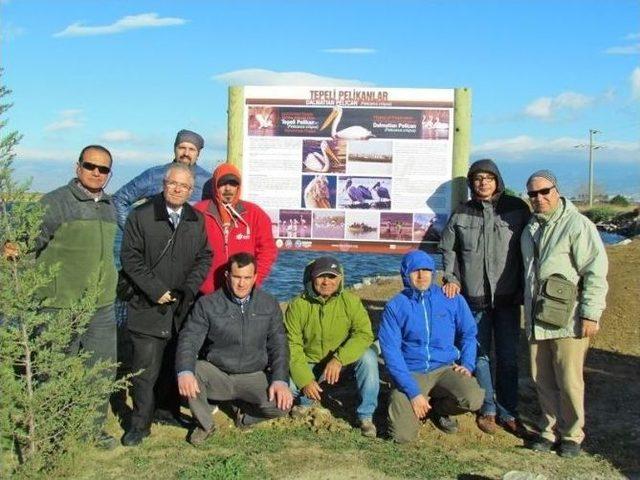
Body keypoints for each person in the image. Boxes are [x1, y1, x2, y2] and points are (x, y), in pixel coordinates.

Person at [120, 163, 211, 446]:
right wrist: (155, 290)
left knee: (174, 362)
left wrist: (188, 289)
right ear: (164, 183)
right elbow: (130, 258)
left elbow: (204, 258)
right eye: (173, 184)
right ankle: (139, 424)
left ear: (190, 190)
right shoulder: (142, 215)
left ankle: (167, 410)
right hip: (147, 306)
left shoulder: (196, 219)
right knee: (145, 371)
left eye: (184, 186)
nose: (177, 189)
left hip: (180, 307)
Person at [438, 159, 531, 436]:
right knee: (480, 356)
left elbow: (531, 245)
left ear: (497, 180)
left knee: (508, 357)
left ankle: (509, 412)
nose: (483, 183)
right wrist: (452, 278)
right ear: (472, 183)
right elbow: (448, 249)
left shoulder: (516, 209)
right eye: (477, 178)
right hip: (474, 299)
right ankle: (488, 408)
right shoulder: (462, 212)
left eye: (488, 178)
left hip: (508, 297)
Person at [35, 145, 118, 449]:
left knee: (101, 370)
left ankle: (91, 430)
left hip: (102, 305)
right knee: (53, 371)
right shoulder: (55, 202)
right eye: (90, 166)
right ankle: (50, 433)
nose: (96, 172)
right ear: (77, 167)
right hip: (59, 304)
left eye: (104, 169)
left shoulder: (109, 206)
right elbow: (26, 245)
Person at [521, 170, 608, 458]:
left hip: (568, 318)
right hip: (537, 317)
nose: (539, 198)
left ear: (556, 190)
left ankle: (572, 435)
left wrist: (591, 313)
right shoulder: (529, 228)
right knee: (540, 378)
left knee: (569, 379)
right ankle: (548, 429)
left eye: (545, 191)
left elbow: (595, 271)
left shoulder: (577, 225)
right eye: (533, 194)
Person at [175, 252, 292, 445]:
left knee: (282, 405)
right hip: (219, 374)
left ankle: (244, 417)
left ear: (255, 277)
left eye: (247, 278)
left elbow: (279, 344)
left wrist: (280, 380)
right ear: (227, 276)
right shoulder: (207, 304)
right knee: (191, 370)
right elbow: (189, 339)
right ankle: (205, 424)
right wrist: (184, 371)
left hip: (253, 374)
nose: (242, 283)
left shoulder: (269, 303)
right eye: (237, 277)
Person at [378, 250, 484, 443]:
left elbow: (469, 333)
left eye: (426, 270)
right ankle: (401, 401)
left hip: (444, 368)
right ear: (405, 274)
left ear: (433, 272)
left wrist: (467, 364)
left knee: (473, 398)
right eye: (415, 271)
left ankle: (438, 409)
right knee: (402, 437)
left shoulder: (450, 298)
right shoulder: (395, 306)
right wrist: (413, 392)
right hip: (412, 372)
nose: (421, 276)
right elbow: (391, 352)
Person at [285, 256, 379, 438]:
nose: (326, 282)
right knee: (286, 388)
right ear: (312, 278)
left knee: (368, 357)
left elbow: (364, 334)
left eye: (332, 276)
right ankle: (306, 400)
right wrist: (305, 379)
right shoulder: (297, 305)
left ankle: (366, 416)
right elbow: (292, 345)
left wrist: (339, 359)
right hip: (309, 363)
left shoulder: (351, 302)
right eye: (321, 276)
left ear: (340, 279)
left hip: (342, 365)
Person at [194, 163, 277, 294]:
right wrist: (195, 284)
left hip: (242, 292)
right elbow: (186, 250)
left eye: (233, 183)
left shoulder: (255, 213)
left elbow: (267, 251)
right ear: (215, 186)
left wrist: (252, 281)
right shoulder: (199, 211)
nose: (228, 188)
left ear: (238, 186)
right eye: (222, 184)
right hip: (204, 293)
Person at [112, 129, 211, 229]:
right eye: (182, 148)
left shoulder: (208, 182)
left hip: (193, 241)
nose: (186, 153)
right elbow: (119, 200)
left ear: (198, 153)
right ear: (174, 148)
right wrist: (133, 232)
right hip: (157, 241)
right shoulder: (154, 175)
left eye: (191, 149)